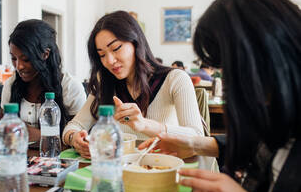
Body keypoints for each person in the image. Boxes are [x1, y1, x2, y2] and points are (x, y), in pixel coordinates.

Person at [140, 0, 301, 192]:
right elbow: (261, 142)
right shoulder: (280, 110)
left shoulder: (173, 79)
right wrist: (196, 144)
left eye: (232, 67)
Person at [63, 11, 211, 169]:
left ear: (136, 42)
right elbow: (73, 126)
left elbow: (197, 137)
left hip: (161, 171)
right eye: (102, 55)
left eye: (116, 48)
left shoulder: (175, 79)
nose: (110, 61)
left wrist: (144, 125)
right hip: (121, 171)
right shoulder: (105, 81)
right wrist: (75, 139)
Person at [0, 19, 86, 142]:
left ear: (45, 54)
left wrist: (42, 137)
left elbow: (80, 137)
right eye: (14, 58)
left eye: (25, 59)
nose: (18, 66)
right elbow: (7, 131)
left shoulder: (70, 87)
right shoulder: (11, 84)